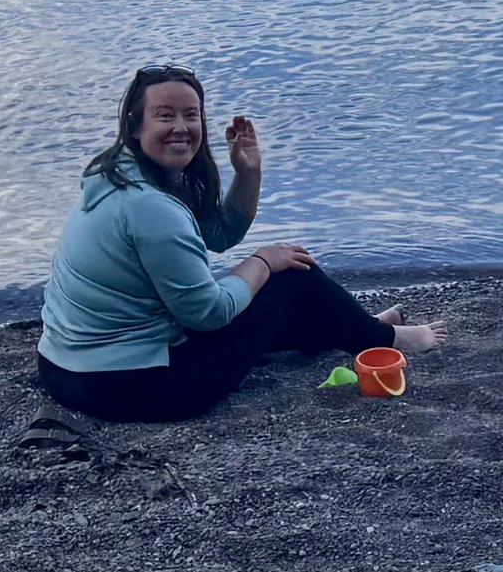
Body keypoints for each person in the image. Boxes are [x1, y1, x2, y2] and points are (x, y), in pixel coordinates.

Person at [36, 63, 445, 423]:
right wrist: (262, 263)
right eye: (165, 115)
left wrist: (248, 174)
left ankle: (354, 327)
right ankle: (384, 340)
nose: (181, 127)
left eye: (191, 115)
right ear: (135, 122)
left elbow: (216, 236)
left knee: (267, 294)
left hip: (65, 368)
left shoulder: (117, 175)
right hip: (137, 387)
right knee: (293, 277)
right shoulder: (149, 207)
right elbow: (208, 314)